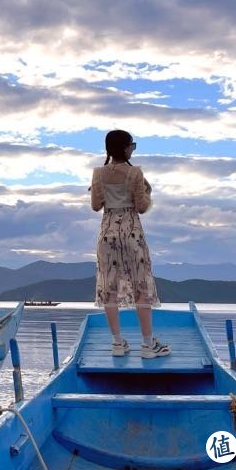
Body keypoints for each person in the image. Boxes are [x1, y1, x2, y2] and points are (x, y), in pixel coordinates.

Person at [89, 130, 170, 358]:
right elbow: (142, 207)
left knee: (109, 286)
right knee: (142, 285)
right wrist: (147, 192)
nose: (132, 149)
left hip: (107, 233)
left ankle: (117, 343)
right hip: (132, 232)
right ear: (125, 148)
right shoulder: (135, 173)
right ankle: (147, 345)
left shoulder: (98, 173)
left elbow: (96, 205)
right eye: (132, 146)